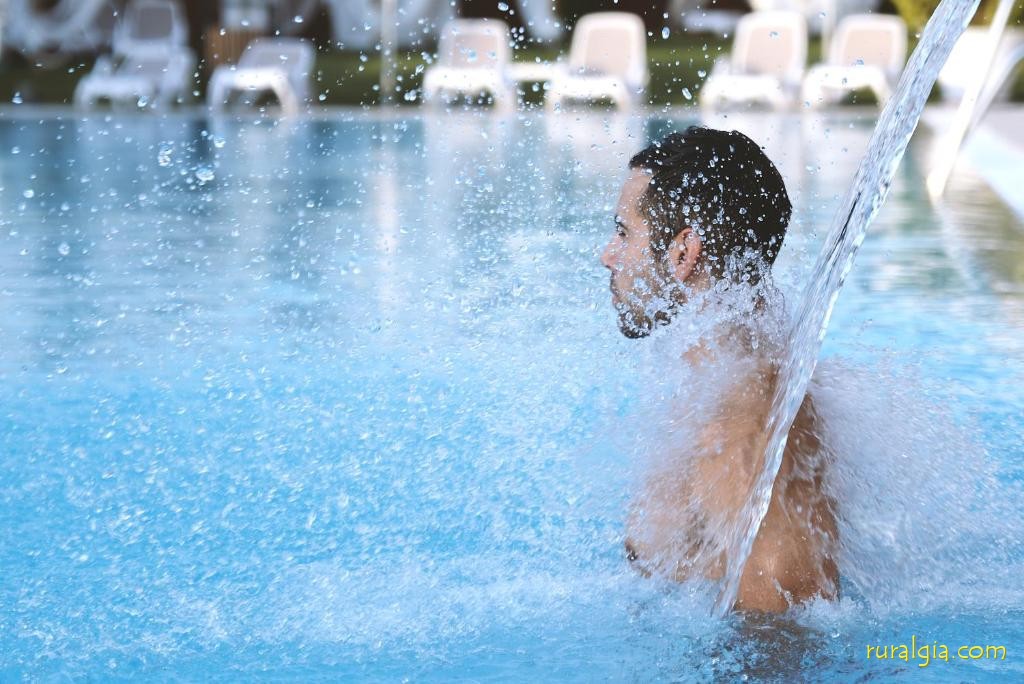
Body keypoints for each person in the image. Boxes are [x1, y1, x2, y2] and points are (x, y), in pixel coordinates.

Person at [600, 126, 839, 613]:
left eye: (624, 233)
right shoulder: (720, 385)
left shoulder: (746, 425)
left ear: (684, 253)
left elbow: (789, 624)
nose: (607, 256)